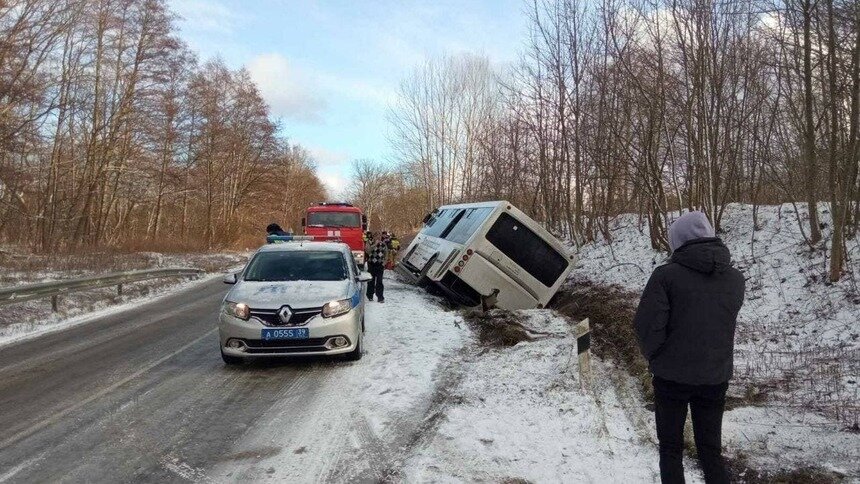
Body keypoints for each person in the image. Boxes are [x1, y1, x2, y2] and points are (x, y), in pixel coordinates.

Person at [633, 212, 744, 484]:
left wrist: (657, 357)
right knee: (711, 450)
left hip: (671, 378)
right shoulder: (735, 279)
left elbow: (646, 326)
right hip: (715, 377)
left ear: (678, 241)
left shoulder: (666, 276)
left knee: (671, 449)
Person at [366, 232, 388, 302]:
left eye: (379, 236)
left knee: (379, 282)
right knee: (371, 281)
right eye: (377, 236)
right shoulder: (369, 243)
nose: (378, 237)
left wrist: (383, 264)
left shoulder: (383, 244)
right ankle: (370, 295)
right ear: (374, 236)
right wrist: (375, 244)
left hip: (379, 265)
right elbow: (368, 251)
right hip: (371, 264)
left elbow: (386, 254)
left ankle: (380, 297)